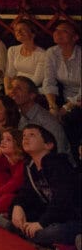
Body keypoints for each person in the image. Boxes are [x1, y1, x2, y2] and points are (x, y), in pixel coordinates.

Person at [0, 125, 81, 247]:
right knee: (21, 213)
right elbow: (25, 192)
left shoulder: (58, 163)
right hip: (53, 214)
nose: (26, 138)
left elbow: (62, 199)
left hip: (72, 215)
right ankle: (29, 231)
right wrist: (18, 206)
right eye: (24, 135)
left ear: (48, 145)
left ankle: (15, 228)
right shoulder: (30, 166)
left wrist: (41, 223)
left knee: (53, 232)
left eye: (32, 135)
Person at [7, 75, 72, 160]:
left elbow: (60, 151)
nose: (13, 91)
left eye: (18, 88)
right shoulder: (22, 117)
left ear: (32, 95)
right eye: (12, 88)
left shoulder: (46, 121)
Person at [42, 20, 81, 156]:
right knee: (45, 113)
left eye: (64, 31)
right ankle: (54, 154)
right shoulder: (52, 53)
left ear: (75, 37)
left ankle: (74, 156)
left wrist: (65, 108)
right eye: (56, 30)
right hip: (64, 96)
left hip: (78, 99)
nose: (58, 33)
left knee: (71, 117)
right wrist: (52, 106)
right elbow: (49, 81)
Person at [3, 20, 46, 94]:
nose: (18, 32)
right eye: (16, 30)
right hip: (13, 88)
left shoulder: (42, 54)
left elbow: (37, 80)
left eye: (22, 29)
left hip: (31, 90)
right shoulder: (12, 50)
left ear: (33, 34)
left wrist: (17, 90)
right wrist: (7, 90)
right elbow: (9, 74)